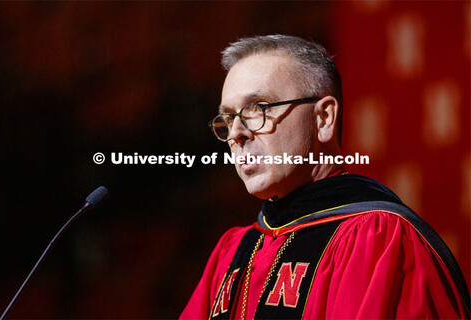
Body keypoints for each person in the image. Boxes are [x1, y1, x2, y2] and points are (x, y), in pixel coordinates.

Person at [180, 35, 470, 319]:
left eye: (258, 109)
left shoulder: (379, 241)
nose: (236, 133)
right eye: (229, 118)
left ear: (324, 119)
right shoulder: (233, 252)